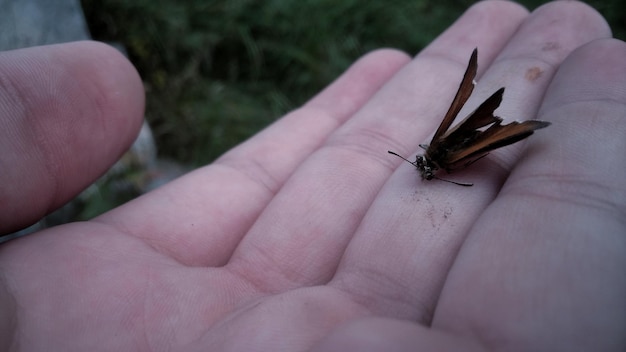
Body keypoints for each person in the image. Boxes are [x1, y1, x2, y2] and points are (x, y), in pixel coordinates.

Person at [0, 1, 624, 351]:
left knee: (470, 125)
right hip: (464, 143)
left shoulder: (438, 156)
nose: (417, 171)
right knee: (468, 124)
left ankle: (503, 129)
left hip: (466, 143)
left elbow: (441, 154)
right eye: (420, 167)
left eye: (422, 168)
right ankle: (497, 129)